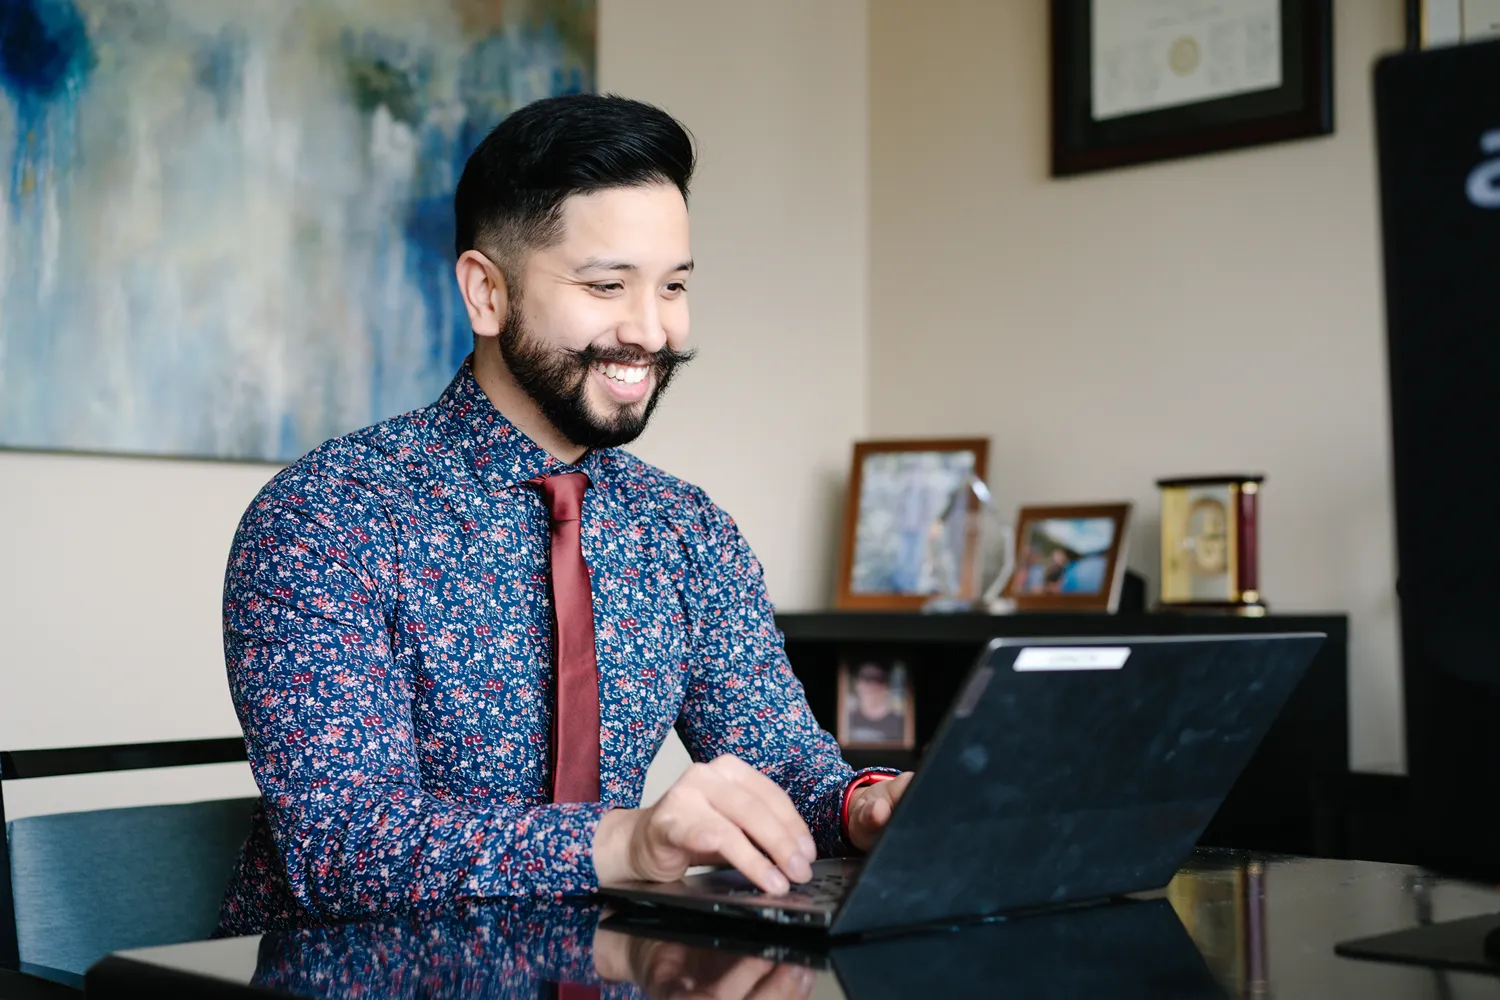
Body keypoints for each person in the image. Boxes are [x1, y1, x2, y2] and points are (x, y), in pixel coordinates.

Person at [215, 94, 912, 936]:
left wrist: (865, 805)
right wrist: (627, 842)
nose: (651, 331)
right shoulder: (326, 519)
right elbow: (348, 849)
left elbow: (785, 769)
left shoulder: (688, 534)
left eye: (674, 287)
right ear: (486, 293)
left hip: (605, 968)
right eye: (606, 285)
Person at [845, 663, 907, 745]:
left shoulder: (901, 724)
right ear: (857, 684)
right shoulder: (846, 720)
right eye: (866, 678)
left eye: (878, 680)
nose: (872, 685)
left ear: (887, 686)